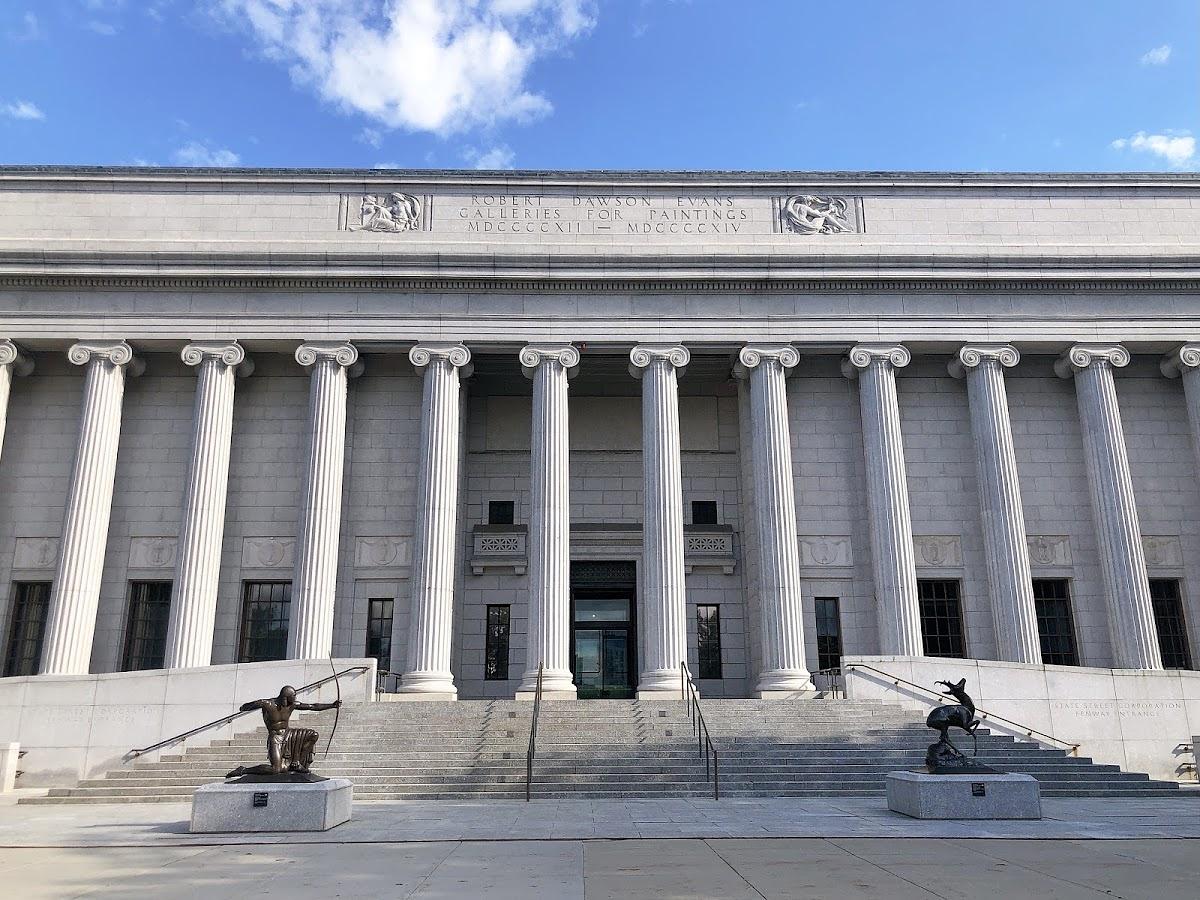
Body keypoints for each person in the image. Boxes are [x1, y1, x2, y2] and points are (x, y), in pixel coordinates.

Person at [225, 685, 340, 778]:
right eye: (293, 695)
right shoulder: (268, 704)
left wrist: (332, 705)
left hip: (288, 734)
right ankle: (243, 770)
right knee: (276, 769)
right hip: (275, 738)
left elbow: (312, 706)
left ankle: (297, 763)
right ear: (286, 697)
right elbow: (244, 707)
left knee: (313, 735)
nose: (295, 698)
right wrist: (252, 705)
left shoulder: (292, 705)